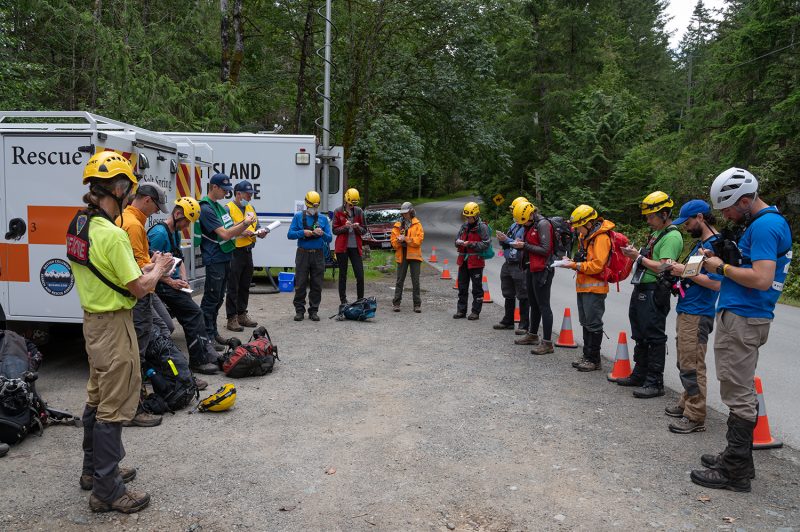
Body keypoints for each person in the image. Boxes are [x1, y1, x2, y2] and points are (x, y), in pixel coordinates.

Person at [68, 151, 173, 513]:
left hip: (92, 323)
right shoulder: (112, 235)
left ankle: (92, 472)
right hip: (113, 326)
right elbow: (139, 287)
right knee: (113, 407)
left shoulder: (78, 225)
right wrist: (158, 267)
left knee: (97, 396)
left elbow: (104, 271)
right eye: (127, 188)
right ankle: (108, 491)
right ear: (117, 187)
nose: (130, 195)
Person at [690, 168, 792, 492]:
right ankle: (737, 459)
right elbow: (751, 268)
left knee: (737, 392)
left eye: (728, 208)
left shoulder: (765, 226)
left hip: (744, 318)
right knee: (738, 387)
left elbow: (762, 278)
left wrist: (719, 266)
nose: (724, 215)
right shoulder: (765, 223)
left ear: (746, 200)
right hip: (744, 316)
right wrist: (721, 260)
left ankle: (735, 471)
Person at [662, 200, 722, 434]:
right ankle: (687, 402)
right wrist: (680, 268)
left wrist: (683, 272)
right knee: (685, 360)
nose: (686, 228)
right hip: (688, 308)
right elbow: (695, 273)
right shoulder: (702, 243)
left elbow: (716, 284)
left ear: (700, 217)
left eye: (687, 223)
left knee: (692, 364)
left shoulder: (716, 245)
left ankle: (695, 415)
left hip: (698, 312)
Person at [117, 182, 172, 427]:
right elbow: (138, 270)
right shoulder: (133, 224)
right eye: (155, 207)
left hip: (131, 294)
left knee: (134, 350)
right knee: (136, 353)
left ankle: (130, 404)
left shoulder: (125, 218)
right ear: (147, 200)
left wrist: (153, 263)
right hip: (138, 296)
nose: (156, 212)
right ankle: (133, 408)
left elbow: (133, 262)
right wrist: (159, 267)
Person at [619, 191, 683, 398]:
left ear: (664, 214)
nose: (648, 220)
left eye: (651, 216)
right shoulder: (656, 234)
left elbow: (664, 267)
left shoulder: (672, 236)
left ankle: (655, 381)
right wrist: (635, 254)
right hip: (642, 287)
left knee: (654, 335)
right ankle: (640, 374)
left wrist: (638, 257)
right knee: (640, 333)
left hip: (655, 290)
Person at [147, 197, 221, 373]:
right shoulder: (159, 234)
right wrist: (172, 282)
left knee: (195, 312)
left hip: (170, 283)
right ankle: (197, 360)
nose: (187, 226)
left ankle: (205, 351)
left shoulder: (175, 232)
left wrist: (184, 280)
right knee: (193, 314)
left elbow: (178, 260)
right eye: (186, 221)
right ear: (177, 213)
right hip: (159, 284)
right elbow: (148, 269)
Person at [197, 173, 256, 346]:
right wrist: (245, 224)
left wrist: (246, 226)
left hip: (224, 256)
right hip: (214, 258)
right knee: (211, 299)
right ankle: (205, 336)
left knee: (218, 299)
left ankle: (213, 333)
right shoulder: (206, 208)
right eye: (224, 190)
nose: (227, 193)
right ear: (214, 187)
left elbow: (231, 229)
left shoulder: (219, 207)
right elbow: (225, 233)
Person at [557, 205, 614, 371]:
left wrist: (575, 265)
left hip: (595, 289)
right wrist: (572, 262)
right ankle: (587, 355)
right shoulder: (586, 236)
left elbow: (597, 265)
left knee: (593, 323)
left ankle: (593, 359)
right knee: (585, 322)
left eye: (579, 226)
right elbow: (584, 259)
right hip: (583, 286)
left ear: (589, 223)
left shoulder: (601, 238)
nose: (577, 230)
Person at [512, 201, 556, 355]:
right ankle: (532, 335)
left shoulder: (543, 225)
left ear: (531, 214)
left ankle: (548, 343)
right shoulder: (529, 224)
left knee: (544, 305)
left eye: (525, 221)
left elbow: (545, 249)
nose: (524, 224)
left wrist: (524, 246)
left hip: (543, 269)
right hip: (531, 268)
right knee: (533, 303)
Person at [225, 180, 269, 332]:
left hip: (248, 251)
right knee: (233, 286)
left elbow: (256, 226)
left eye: (251, 195)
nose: (250, 197)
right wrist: (243, 231)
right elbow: (226, 230)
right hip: (234, 251)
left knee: (245, 285)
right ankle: (231, 318)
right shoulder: (228, 208)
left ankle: (242, 314)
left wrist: (261, 232)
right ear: (238, 194)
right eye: (248, 195)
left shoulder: (251, 208)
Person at [287, 190, 332, 321]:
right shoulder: (298, 217)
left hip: (318, 254)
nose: (314, 209)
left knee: (317, 284)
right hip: (302, 254)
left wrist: (321, 233)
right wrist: (303, 232)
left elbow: (329, 239)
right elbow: (290, 234)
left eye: (316, 206)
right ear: (307, 204)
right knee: (300, 283)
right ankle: (299, 311)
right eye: (312, 206)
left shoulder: (323, 219)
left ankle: (314, 310)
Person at [495, 197, 530, 334]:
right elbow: (508, 242)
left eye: (513, 210)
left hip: (520, 264)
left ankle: (523, 324)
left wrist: (507, 240)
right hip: (508, 262)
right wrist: (503, 240)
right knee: (508, 292)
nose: (512, 213)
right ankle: (508, 321)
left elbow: (520, 243)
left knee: (523, 294)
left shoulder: (527, 227)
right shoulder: (514, 225)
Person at [453, 201, 490, 320]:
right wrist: (458, 242)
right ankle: (461, 310)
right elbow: (456, 239)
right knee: (462, 287)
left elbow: (486, 244)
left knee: (477, 288)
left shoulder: (482, 227)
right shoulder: (464, 226)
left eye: (470, 217)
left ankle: (475, 311)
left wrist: (471, 244)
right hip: (463, 261)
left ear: (476, 215)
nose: (468, 219)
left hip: (476, 262)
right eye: (467, 217)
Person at [332, 188, 367, 304]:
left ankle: (360, 300)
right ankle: (343, 300)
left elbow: (364, 230)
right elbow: (335, 230)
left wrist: (357, 227)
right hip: (342, 248)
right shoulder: (338, 211)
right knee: (343, 275)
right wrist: (345, 227)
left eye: (355, 204)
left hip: (355, 247)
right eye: (351, 203)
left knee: (360, 276)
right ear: (346, 200)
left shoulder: (359, 211)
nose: (352, 206)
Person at [390, 201, 425, 312]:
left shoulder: (418, 224)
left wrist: (406, 239)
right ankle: (396, 303)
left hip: (414, 256)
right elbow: (393, 242)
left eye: (406, 212)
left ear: (411, 212)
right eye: (403, 213)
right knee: (400, 280)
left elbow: (419, 241)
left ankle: (417, 305)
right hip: (402, 254)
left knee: (415, 281)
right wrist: (399, 241)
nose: (404, 215)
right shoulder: (397, 225)